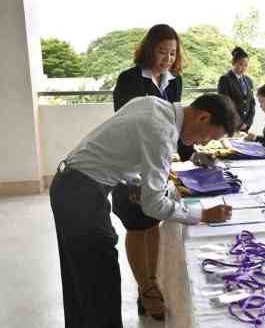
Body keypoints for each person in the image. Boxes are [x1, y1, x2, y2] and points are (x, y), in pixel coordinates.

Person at [50, 94, 237, 327]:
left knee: (80, 279)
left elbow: (120, 147)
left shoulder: (152, 103)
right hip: (81, 194)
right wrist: (202, 215)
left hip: (70, 184)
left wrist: (136, 181)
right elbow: (153, 205)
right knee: (100, 282)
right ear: (203, 117)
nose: (202, 143)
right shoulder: (162, 132)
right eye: (209, 136)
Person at [112, 24, 211, 320]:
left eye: (172, 52)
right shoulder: (129, 79)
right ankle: (145, 288)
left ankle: (152, 282)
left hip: (159, 161)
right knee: (136, 225)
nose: (167, 58)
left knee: (153, 221)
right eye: (161, 51)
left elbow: (178, 124)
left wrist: (190, 154)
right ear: (148, 49)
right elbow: (126, 122)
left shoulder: (174, 80)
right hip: (131, 163)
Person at [217, 46, 256, 132]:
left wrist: (247, 123)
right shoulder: (225, 79)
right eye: (241, 64)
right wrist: (238, 123)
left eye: (246, 65)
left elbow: (252, 103)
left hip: (245, 126)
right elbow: (225, 104)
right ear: (233, 63)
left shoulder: (249, 81)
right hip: (231, 124)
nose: (244, 68)